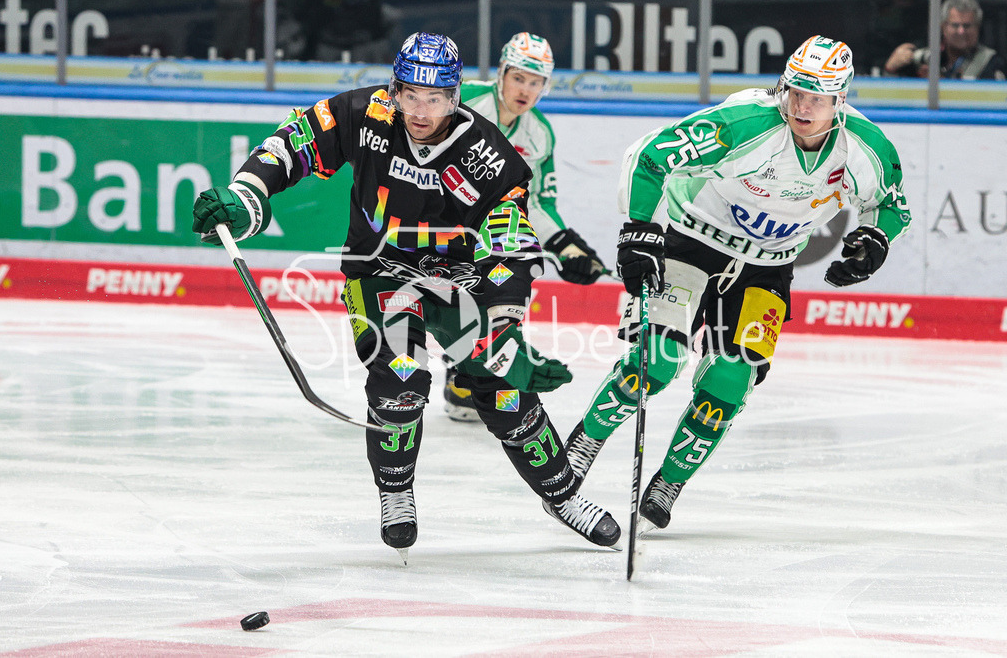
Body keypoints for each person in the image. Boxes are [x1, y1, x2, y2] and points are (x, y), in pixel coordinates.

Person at [191, 32, 620, 556]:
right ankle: (396, 493)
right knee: (400, 377)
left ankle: (563, 494)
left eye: (435, 97)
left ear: (455, 95)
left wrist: (504, 340)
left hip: (462, 278)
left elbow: (512, 250)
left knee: (503, 386)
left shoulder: (490, 155)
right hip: (380, 273)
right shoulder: (362, 111)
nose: (421, 109)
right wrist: (247, 197)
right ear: (394, 88)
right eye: (411, 94)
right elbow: (289, 147)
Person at [562, 35, 912, 532]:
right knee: (655, 362)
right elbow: (652, 155)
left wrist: (876, 238)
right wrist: (639, 226)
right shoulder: (744, 124)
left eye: (817, 97)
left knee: (731, 378)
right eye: (796, 91)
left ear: (841, 99)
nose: (802, 106)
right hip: (692, 241)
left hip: (769, 268)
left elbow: (893, 205)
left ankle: (670, 481)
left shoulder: (866, 148)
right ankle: (584, 444)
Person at [442, 32, 607, 422]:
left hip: (485, 227)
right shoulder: (462, 104)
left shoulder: (539, 134)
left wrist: (568, 246)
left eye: (535, 83)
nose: (526, 90)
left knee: (515, 263)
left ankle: (469, 371)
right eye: (519, 78)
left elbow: (538, 203)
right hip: (436, 216)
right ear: (501, 74)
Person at [883, 0, 1007, 80]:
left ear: (978, 28)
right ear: (943, 27)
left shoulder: (992, 63)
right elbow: (890, 95)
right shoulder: (925, 57)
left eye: (967, 26)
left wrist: (940, 84)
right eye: (955, 25)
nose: (961, 31)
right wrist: (891, 68)